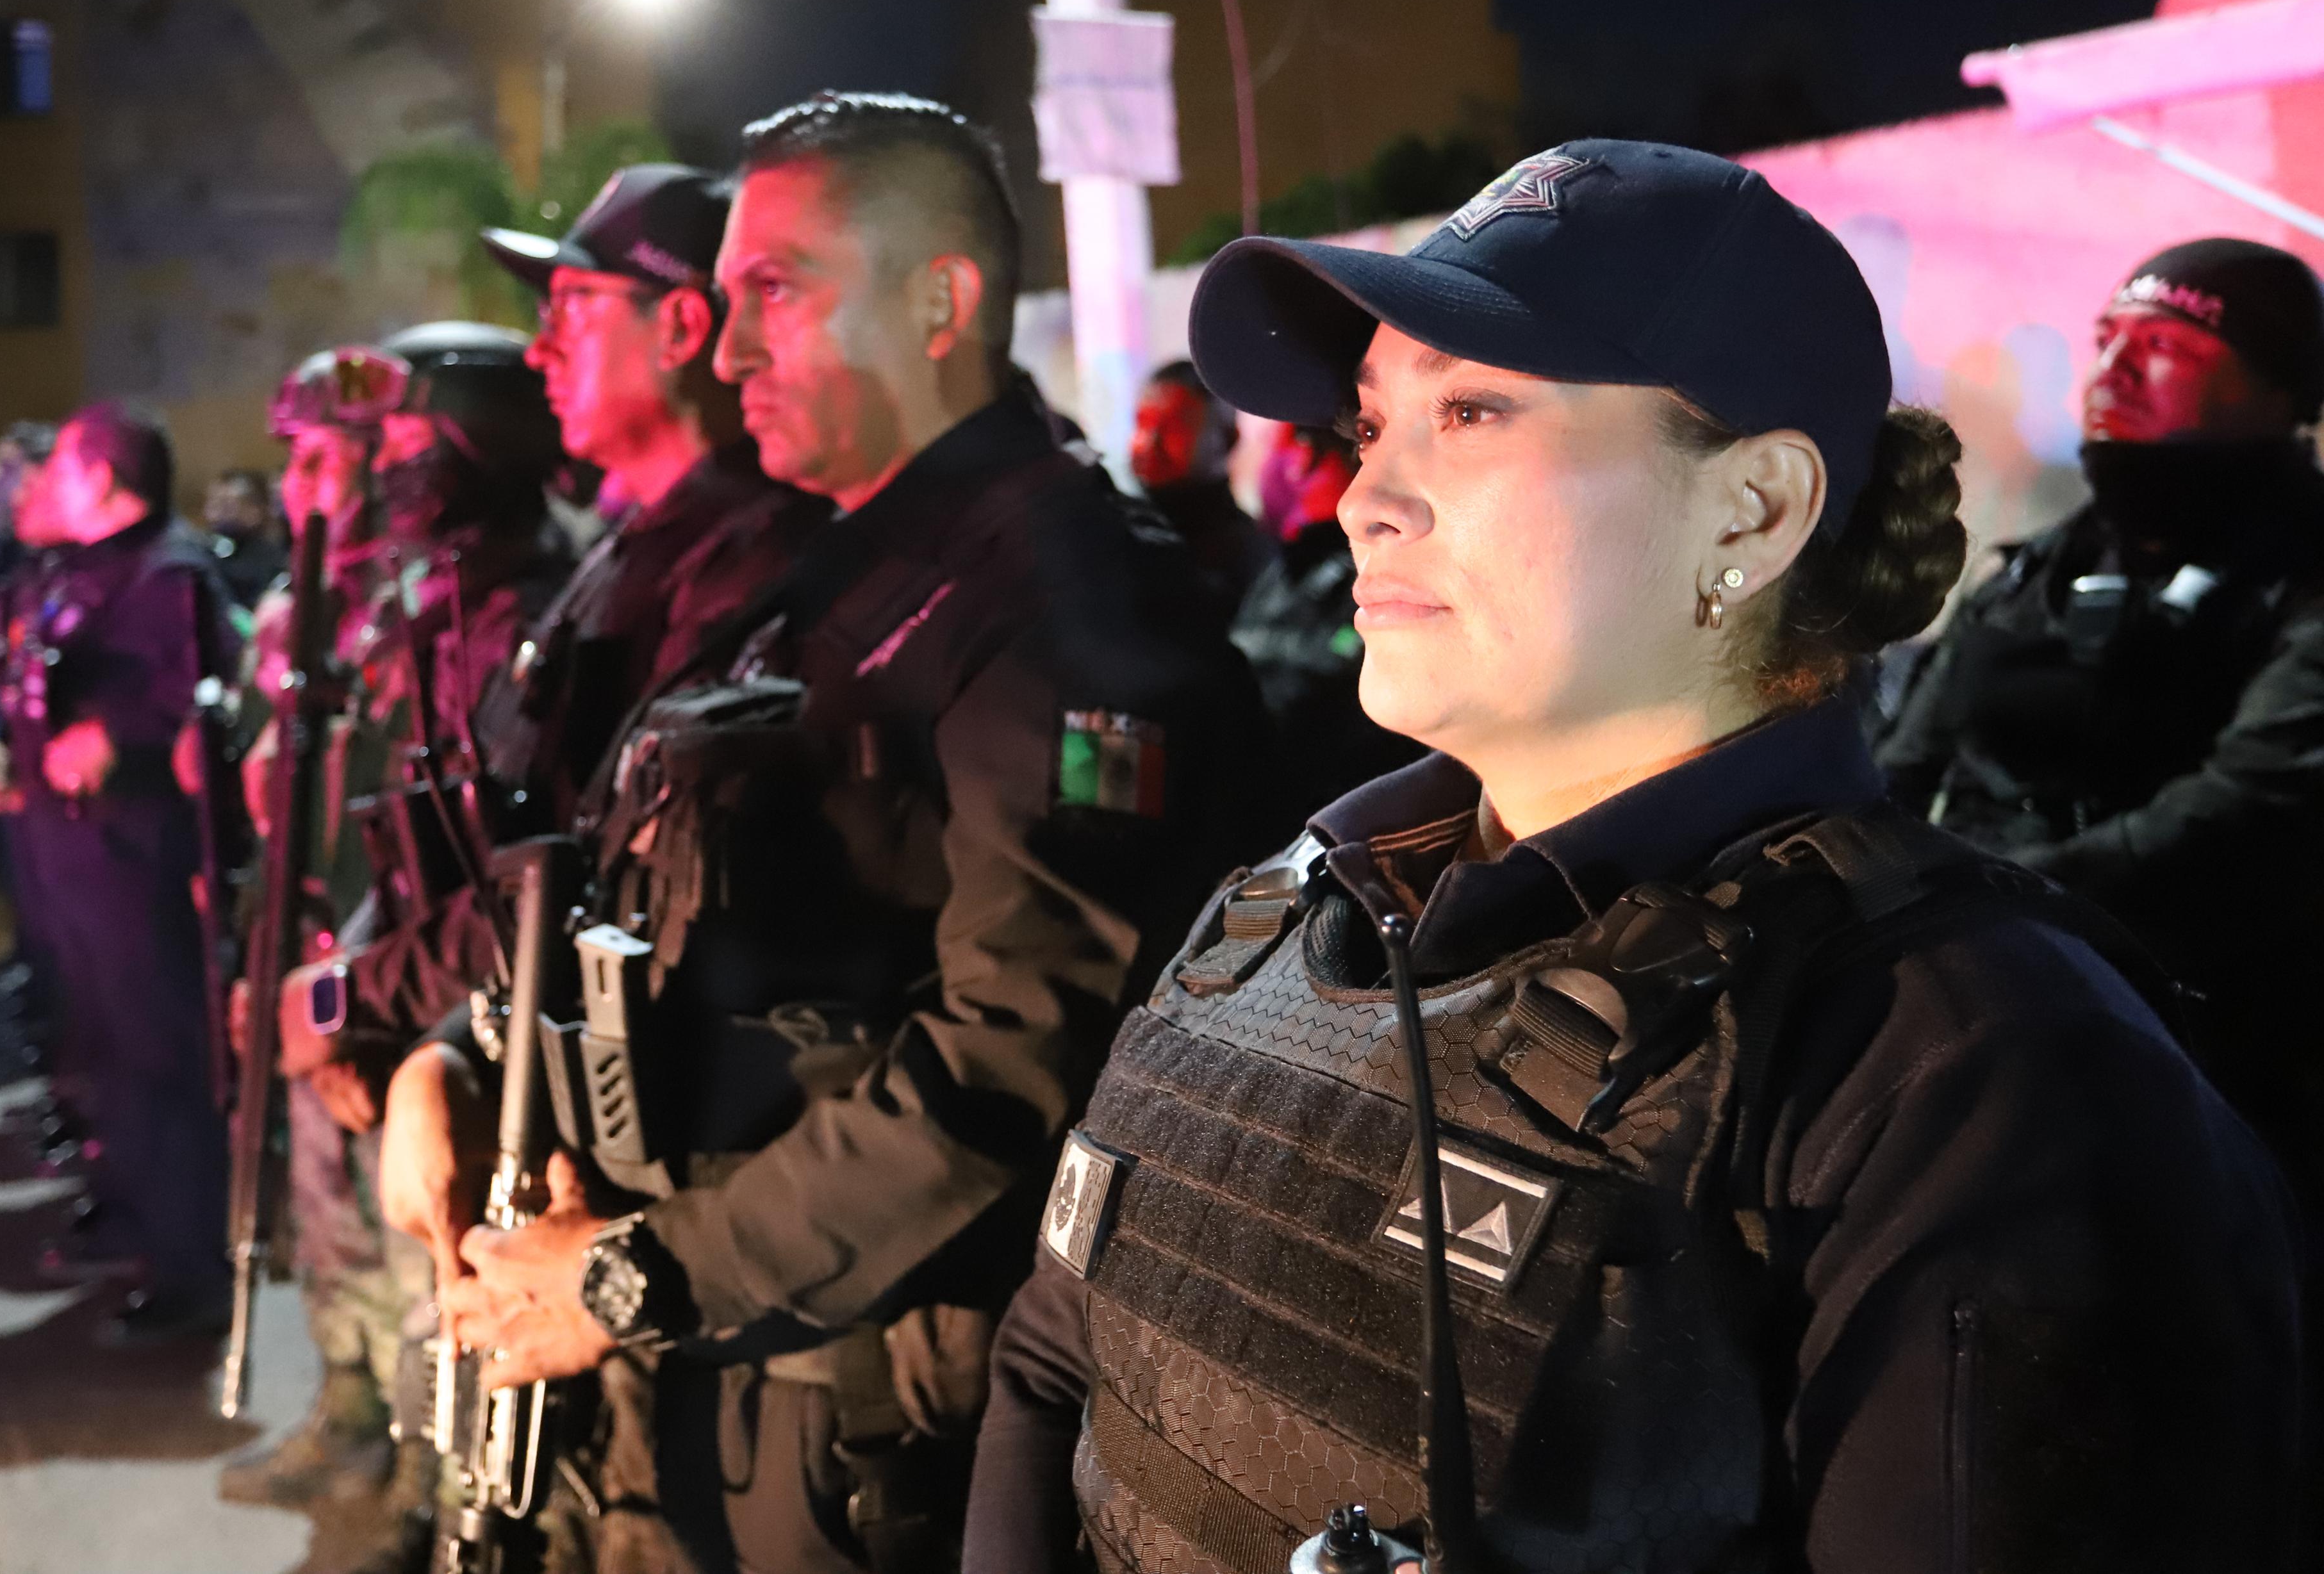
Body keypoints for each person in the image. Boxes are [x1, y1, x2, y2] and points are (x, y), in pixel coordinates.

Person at [966, 142, 2305, 1574]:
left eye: (1470, 411)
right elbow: (1053, 1375)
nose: (1366, 501)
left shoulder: (1966, 1079)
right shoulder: (1288, 911)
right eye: (1370, 429)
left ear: (1751, 512)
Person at [403, 94, 1271, 1574]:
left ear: (941, 300)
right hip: (727, 1346)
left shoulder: (1066, 605)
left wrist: (627, 1280)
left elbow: (1016, 1059)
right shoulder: (838, 573)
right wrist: (461, 1058)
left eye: (772, 294)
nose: (728, 349)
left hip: (870, 1411)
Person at [354, 163, 829, 1565]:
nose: (543, 347)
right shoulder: (628, 556)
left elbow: (623, 902)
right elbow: (533, 862)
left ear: (681, 331)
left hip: (653, 1198)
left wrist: (406, 1019)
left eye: (573, 307)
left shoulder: (761, 566)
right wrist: (434, 1045)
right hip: (534, 1140)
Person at [1875, 238, 2324, 1213]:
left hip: (2216, 1042)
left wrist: (2000, 899)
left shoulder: (2300, 579)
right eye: (2105, 337)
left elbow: (2243, 805)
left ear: (2281, 390)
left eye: (2164, 344)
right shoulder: (2045, 565)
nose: (2110, 370)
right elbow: (1902, 761)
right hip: (1977, 990)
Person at [0, 403, 241, 1342]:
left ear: (107, 479)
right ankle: (128, 1207)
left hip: (137, 856)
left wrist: (117, 737)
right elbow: (13, 674)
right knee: (102, 1045)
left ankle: (191, 1262)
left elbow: (196, 702)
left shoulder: (169, 572)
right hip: (68, 850)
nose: (47, 488)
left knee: (158, 1052)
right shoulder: (71, 573)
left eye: (65, 469)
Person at [215, 344, 430, 1557]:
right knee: (321, 1214)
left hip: (386, 971)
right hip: (301, 948)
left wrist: (362, 994)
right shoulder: (301, 605)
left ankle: (421, 1463)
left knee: (405, 1235)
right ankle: (344, 1405)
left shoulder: (422, 593)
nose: (295, 476)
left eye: (316, 452)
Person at [1230, 422, 1424, 831]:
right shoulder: (1284, 562)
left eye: (1315, 447)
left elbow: (1346, 658)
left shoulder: (1385, 569)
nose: (1298, 467)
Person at [1130, 361, 1269, 621]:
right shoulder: (1121, 532)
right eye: (1143, 423)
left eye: (1174, 426)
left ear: (1227, 437)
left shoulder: (1249, 554)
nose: (1151, 443)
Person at [204, 465, 290, 614]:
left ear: (255, 511)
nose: (215, 515)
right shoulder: (205, 550)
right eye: (213, 505)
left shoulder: (272, 560)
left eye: (226, 506)